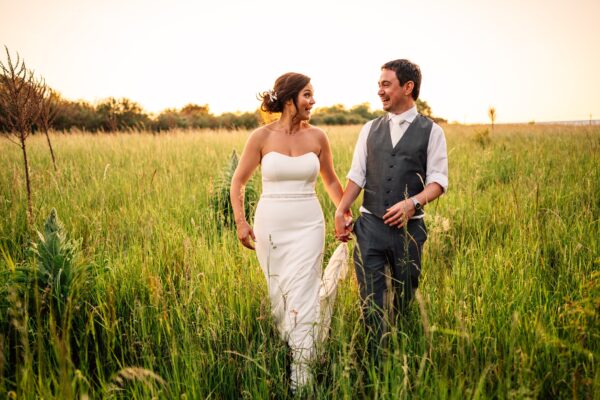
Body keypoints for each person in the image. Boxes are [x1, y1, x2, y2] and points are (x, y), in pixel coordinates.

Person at [230, 72, 348, 391]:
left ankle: (301, 380)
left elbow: (331, 182)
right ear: (289, 98)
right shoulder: (261, 137)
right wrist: (241, 222)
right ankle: (302, 349)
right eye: (307, 95)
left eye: (313, 95)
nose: (313, 101)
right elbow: (238, 182)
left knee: (305, 294)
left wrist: (344, 211)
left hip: (309, 225)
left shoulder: (319, 137)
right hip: (272, 227)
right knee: (281, 296)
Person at [334, 59, 448, 356]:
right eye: (379, 85)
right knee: (372, 304)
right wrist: (341, 210)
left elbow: (438, 182)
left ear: (407, 87)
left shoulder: (432, 132)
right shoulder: (369, 129)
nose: (380, 91)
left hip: (408, 233)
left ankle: (403, 359)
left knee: (404, 299)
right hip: (369, 227)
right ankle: (375, 365)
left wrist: (413, 203)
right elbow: (357, 175)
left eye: (386, 84)